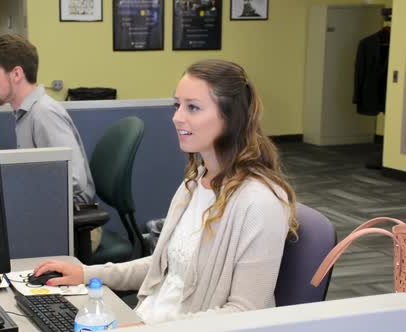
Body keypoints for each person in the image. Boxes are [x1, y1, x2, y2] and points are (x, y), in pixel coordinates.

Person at [33, 59, 299, 324]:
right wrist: (86, 274)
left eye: (192, 107)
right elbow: (162, 267)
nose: (177, 117)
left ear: (231, 118)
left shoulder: (260, 202)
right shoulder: (195, 182)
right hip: (149, 319)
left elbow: (246, 313)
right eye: (177, 105)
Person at [0, 34, 101, 248]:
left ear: (16, 74)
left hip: (71, 224)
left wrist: (20, 193)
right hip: (50, 217)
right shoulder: (26, 113)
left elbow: (74, 180)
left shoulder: (43, 114)